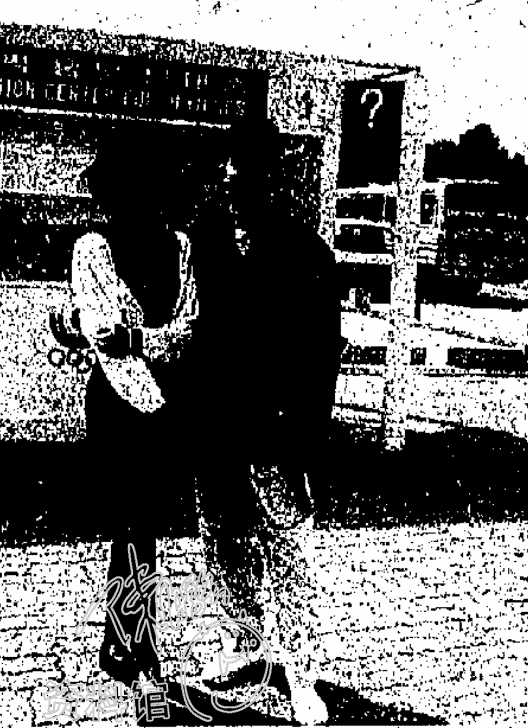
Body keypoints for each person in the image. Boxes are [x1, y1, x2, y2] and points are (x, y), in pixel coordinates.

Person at [195, 118, 343, 725]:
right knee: (222, 542)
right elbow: (198, 332)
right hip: (218, 425)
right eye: (228, 179)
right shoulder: (207, 245)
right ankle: (245, 648)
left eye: (246, 180)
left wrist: (307, 445)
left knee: (287, 554)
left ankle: (301, 674)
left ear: (272, 181)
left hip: (278, 433)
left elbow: (322, 358)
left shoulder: (308, 255)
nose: (233, 190)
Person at [66, 127, 198, 689]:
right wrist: (152, 356)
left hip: (167, 401)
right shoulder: (93, 249)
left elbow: (190, 328)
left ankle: (121, 641)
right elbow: (106, 335)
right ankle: (134, 646)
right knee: (136, 522)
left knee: (142, 524)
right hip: (120, 402)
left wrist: (142, 340)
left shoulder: (182, 247)